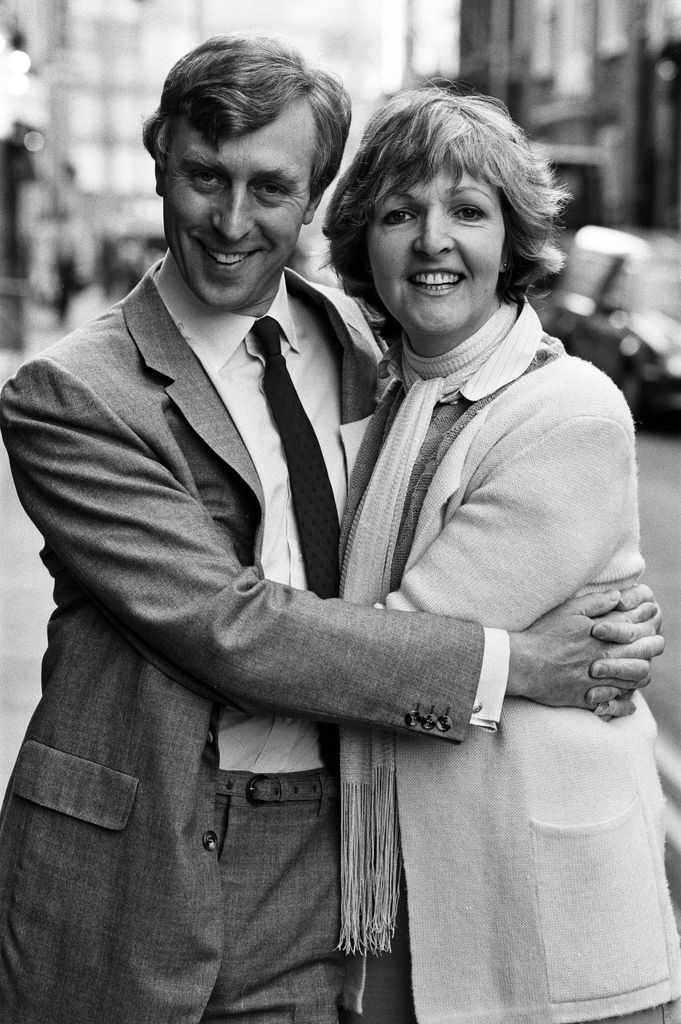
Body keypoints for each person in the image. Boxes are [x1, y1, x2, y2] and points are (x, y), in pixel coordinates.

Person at [0, 36, 663, 1024]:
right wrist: (521, 663)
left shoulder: (363, 348)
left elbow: (477, 423)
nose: (231, 220)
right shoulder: (72, 395)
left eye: (270, 187)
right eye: (203, 178)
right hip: (143, 850)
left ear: (311, 199)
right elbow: (234, 629)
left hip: (330, 850)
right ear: (159, 166)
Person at [323, 88, 681, 1024]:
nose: (431, 239)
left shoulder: (567, 411)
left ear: (513, 242)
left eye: (466, 211)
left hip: (549, 932)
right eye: (399, 213)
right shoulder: (376, 402)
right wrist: (522, 665)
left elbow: (389, 650)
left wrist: (283, 638)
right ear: (365, 241)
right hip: (413, 903)